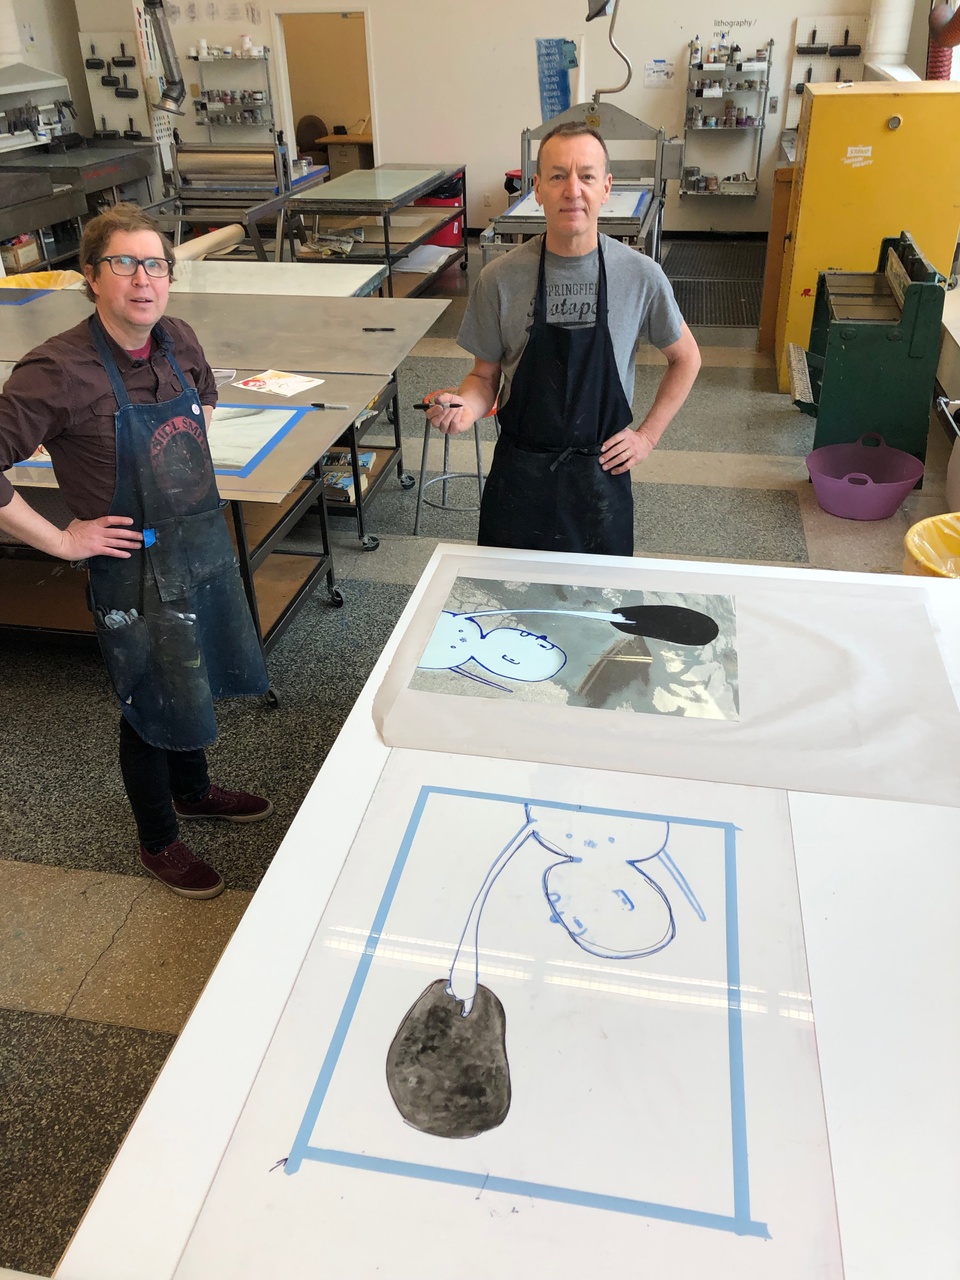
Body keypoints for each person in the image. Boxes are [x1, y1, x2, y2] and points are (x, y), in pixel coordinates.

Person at [0, 203, 272, 900]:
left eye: (155, 263)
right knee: (151, 703)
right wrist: (63, 539)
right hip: (129, 567)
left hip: (198, 545)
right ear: (92, 276)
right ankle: (159, 839)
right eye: (124, 263)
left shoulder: (177, 338)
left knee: (197, 672)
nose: (142, 279)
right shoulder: (56, 369)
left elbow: (202, 402)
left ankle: (194, 790)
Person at [426, 122, 702, 556]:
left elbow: (686, 358)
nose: (573, 190)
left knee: (595, 614)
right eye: (557, 176)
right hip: (519, 479)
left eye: (586, 176)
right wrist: (464, 409)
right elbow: (484, 378)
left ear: (606, 187)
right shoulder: (500, 278)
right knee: (508, 608)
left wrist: (646, 437)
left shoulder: (640, 275)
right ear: (536, 188)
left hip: (600, 484)